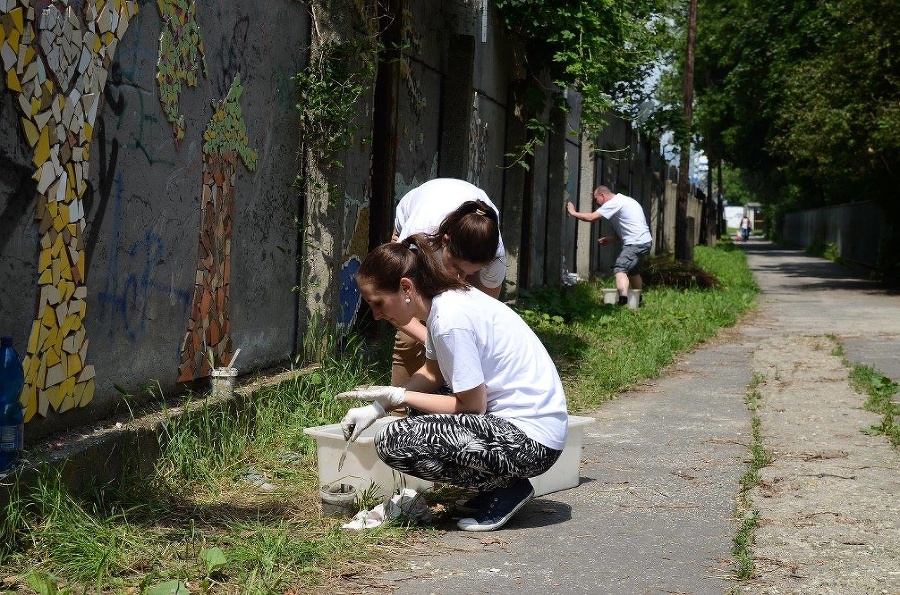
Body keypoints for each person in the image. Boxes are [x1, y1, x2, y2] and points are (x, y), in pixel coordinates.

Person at [336, 234, 568, 532]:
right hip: (520, 430)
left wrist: (399, 397)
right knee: (419, 410)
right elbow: (432, 375)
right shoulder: (443, 306)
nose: (378, 315)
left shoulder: (449, 320)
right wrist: (378, 407)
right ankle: (495, 487)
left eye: (378, 303)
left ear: (406, 287)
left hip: (531, 442)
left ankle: (509, 488)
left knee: (394, 441)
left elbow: (471, 406)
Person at [389, 178, 507, 386]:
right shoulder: (418, 236)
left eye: (469, 273)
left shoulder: (494, 256)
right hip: (418, 224)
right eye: (456, 267)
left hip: (462, 236)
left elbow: (485, 316)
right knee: (408, 340)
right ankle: (398, 411)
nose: (460, 279)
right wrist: (435, 341)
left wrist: (459, 346)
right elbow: (392, 303)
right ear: (445, 242)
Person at [566, 185, 652, 305]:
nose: (596, 203)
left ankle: (622, 300)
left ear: (602, 196)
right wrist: (612, 239)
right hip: (645, 241)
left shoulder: (614, 202)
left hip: (635, 243)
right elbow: (632, 227)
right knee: (633, 272)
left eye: (596, 200)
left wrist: (572, 212)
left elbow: (591, 218)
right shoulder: (627, 200)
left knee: (620, 269)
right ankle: (637, 299)